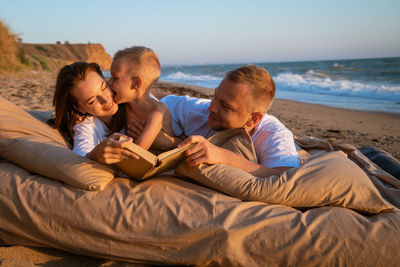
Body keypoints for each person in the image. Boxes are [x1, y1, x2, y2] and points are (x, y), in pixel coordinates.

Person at [160, 65, 300, 177]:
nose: (212, 108)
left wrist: (225, 157)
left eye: (225, 106)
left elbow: (288, 177)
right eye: (214, 97)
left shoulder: (273, 134)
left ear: (253, 119)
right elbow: (159, 100)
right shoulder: (202, 110)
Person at [53, 62, 138, 164]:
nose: (105, 100)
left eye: (104, 87)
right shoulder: (87, 125)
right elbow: (80, 154)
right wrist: (94, 155)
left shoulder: (132, 100)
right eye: (92, 100)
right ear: (79, 108)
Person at [108, 46, 176, 150]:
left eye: (115, 78)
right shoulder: (124, 105)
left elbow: (139, 152)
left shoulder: (157, 112)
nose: (109, 82)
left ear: (136, 83)